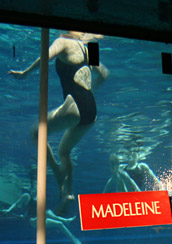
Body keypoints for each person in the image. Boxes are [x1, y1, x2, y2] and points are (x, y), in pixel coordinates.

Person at [9, 31, 109, 206]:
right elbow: (104, 74)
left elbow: (45, 58)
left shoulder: (63, 41)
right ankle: (68, 193)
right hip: (91, 109)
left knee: (36, 133)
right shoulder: (90, 49)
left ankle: (58, 174)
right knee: (64, 151)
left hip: (74, 104)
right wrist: (90, 90)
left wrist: (26, 73)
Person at [2, 184, 82, 244]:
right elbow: (16, 203)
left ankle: (74, 239)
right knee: (47, 212)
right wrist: (8, 210)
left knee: (59, 224)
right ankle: (66, 220)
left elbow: (34, 210)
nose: (35, 189)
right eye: (34, 187)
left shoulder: (39, 197)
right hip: (32, 221)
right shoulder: (26, 196)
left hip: (40, 219)